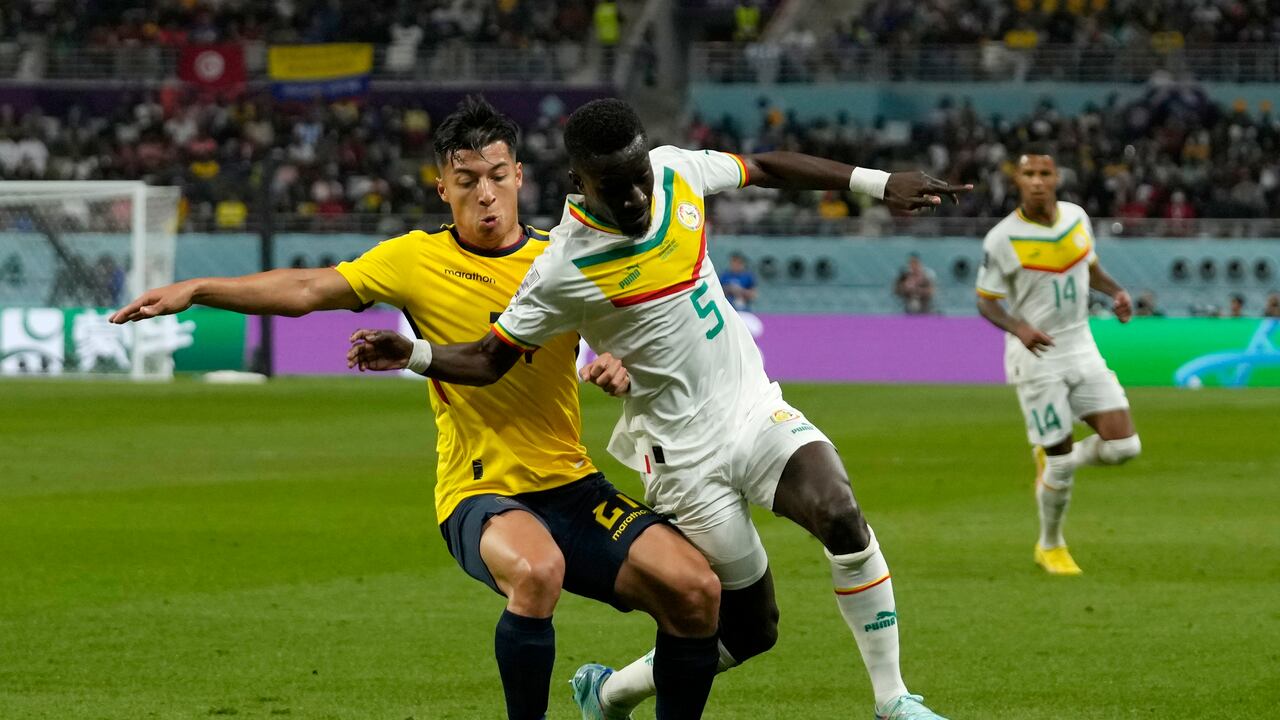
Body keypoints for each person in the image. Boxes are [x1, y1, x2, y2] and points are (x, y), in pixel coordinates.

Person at [346, 98, 970, 720]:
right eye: (614, 188)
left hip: (752, 410)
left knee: (839, 511)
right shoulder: (560, 268)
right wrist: (418, 353)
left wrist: (879, 182)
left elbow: (764, 167)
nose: (637, 198)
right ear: (578, 184)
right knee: (750, 628)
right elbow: (488, 361)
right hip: (679, 457)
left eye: (638, 175)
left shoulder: (677, 171)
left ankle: (893, 700)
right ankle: (610, 693)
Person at [108, 97, 724, 720]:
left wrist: (619, 366)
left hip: (571, 484)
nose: (486, 194)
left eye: (497, 176)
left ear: (519, 178)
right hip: (481, 493)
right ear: (443, 190)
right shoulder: (414, 260)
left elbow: (630, 338)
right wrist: (197, 289)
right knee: (537, 572)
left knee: (696, 591)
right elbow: (305, 288)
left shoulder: (565, 257)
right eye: (467, 182)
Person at [975, 146, 1142, 577]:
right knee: (1061, 460)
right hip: (1038, 356)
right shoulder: (1002, 238)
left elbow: (1088, 266)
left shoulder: (1076, 217)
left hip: (1081, 344)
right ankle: (1051, 545)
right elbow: (986, 301)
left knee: (1125, 446)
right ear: (1018, 181)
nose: (1036, 180)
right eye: (1028, 173)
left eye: (1044, 173)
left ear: (1055, 178)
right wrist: (1020, 328)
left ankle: (1053, 462)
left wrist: (1116, 292)